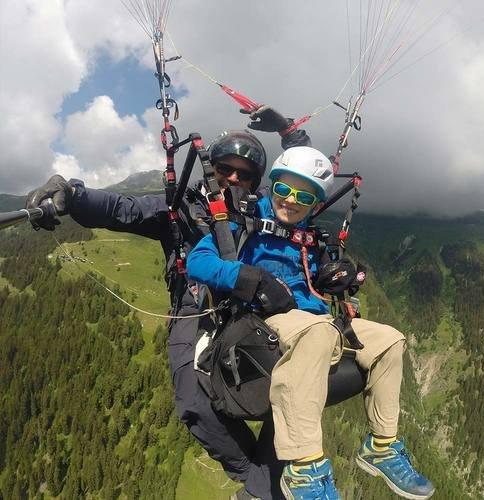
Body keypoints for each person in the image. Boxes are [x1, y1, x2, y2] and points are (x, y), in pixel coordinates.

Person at [25, 107, 310, 500]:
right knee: (194, 401)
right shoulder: (181, 208)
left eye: (244, 174)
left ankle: (269, 486)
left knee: (291, 386)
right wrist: (71, 196)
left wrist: (288, 130)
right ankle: (260, 483)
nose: (233, 178)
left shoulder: (260, 207)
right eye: (226, 168)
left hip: (252, 310)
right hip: (195, 309)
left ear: (256, 181)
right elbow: (120, 209)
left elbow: (303, 178)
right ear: (211, 168)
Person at [187, 146, 435, 499]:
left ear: (313, 202)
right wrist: (248, 278)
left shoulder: (310, 237)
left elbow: (315, 278)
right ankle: (304, 468)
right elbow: (199, 263)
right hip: (261, 321)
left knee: (390, 340)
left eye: (302, 196)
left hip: (313, 319)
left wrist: (337, 275)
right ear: (272, 186)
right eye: (283, 190)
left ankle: (382, 445)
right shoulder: (240, 221)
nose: (289, 201)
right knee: (317, 332)